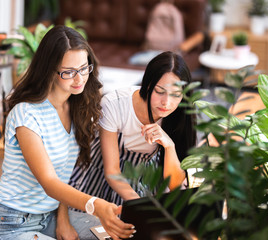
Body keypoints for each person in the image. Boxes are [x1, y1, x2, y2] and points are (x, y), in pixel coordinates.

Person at [0, 25, 135, 240]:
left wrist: (63, 221)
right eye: (69, 72)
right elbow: (49, 182)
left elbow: (62, 176)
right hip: (10, 223)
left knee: (117, 233)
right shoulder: (26, 114)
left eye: (83, 68)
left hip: (50, 217)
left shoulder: (77, 108)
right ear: (49, 71)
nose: (79, 79)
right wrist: (95, 204)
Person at [68, 50, 197, 207]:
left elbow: (175, 184)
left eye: (176, 94)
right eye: (160, 91)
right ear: (148, 85)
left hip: (146, 173)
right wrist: (139, 206)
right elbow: (112, 172)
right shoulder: (115, 103)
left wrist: (169, 146)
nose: (167, 102)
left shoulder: (182, 114)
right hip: (103, 170)